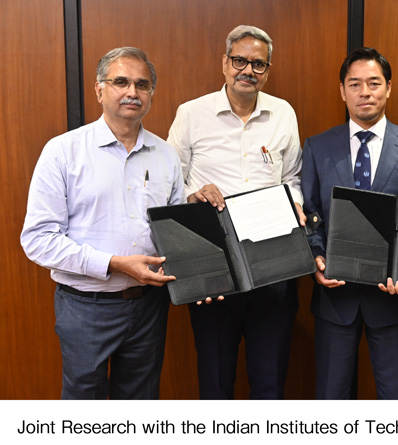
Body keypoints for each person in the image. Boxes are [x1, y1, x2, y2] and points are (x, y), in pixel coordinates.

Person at [20, 47, 185, 399]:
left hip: (148, 307)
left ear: (151, 94)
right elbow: (38, 239)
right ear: (99, 90)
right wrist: (114, 264)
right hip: (85, 306)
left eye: (142, 85)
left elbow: (176, 231)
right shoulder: (63, 151)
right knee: (84, 410)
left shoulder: (166, 155)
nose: (132, 92)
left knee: (139, 408)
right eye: (121, 82)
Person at [167, 25, 304, 399]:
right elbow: (168, 184)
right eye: (240, 60)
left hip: (273, 260)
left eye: (258, 64)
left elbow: (292, 176)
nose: (248, 70)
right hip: (213, 265)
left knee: (271, 378)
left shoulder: (283, 113)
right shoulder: (192, 113)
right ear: (225, 64)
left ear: (268, 70)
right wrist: (194, 194)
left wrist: (295, 204)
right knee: (215, 379)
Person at [301, 47, 398, 399]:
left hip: (392, 298)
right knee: (331, 397)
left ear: (388, 88)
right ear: (342, 90)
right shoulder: (317, 147)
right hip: (335, 294)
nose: (365, 92)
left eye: (374, 83)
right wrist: (316, 258)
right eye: (355, 84)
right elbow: (311, 214)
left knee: (395, 399)